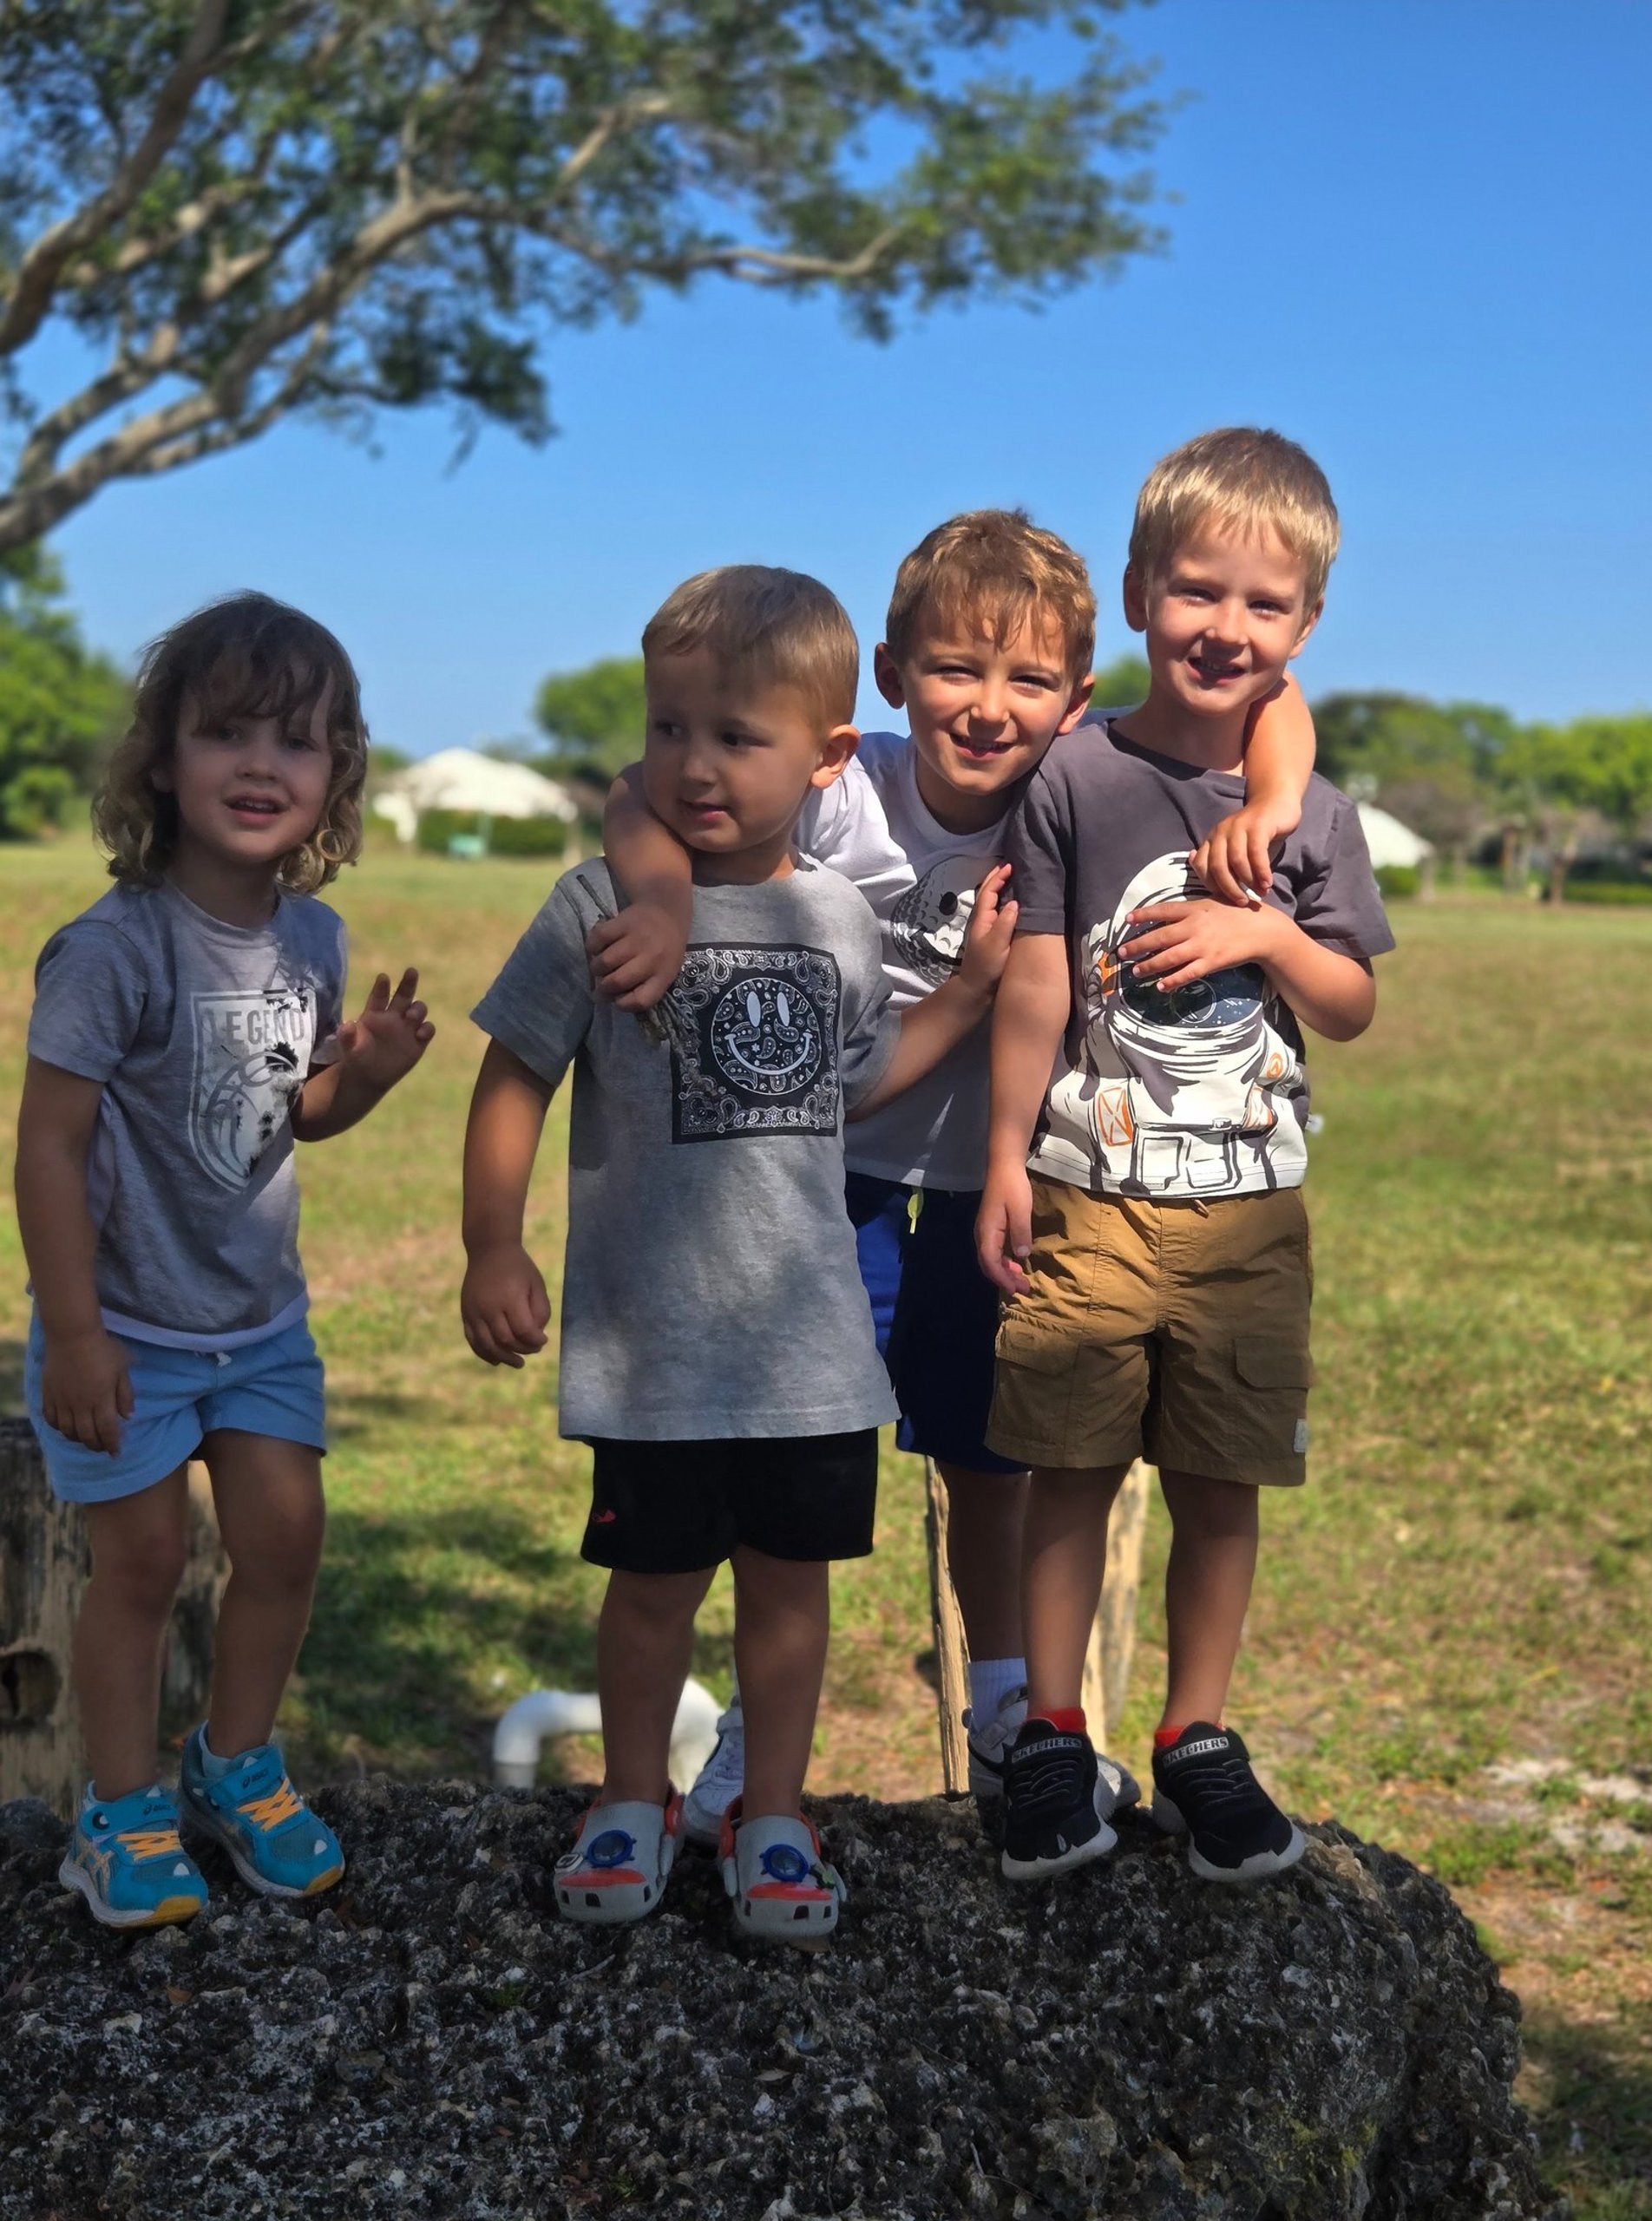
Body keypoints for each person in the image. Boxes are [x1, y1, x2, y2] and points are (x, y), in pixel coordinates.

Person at [592, 510, 1316, 1831]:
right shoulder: (841, 785)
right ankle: (755, 1731)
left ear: (1077, 697)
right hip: (816, 1182)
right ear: (890, 675)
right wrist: (664, 898)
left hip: (998, 1186)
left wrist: (1273, 805)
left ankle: (1005, 1712)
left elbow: (1268, 699)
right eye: (953, 670)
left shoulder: (1080, 784)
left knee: (990, 1456)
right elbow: (637, 790)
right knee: (788, 1459)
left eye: (1028, 679)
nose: (988, 708)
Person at [460, 565, 1011, 1941]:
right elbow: (515, 1072)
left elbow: (854, 1085)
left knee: (787, 1597)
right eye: (669, 729)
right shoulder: (599, 904)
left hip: (808, 1352)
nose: (693, 766)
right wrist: (492, 1246)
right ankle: (629, 1799)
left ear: (828, 757)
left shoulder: (837, 917)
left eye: (736, 737)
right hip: (653, 1344)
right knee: (649, 1594)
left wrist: (964, 998)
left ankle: (772, 1814)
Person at [976, 429, 1395, 1884]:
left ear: (1307, 627)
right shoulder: (1075, 774)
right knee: (1067, 1467)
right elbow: (1038, 974)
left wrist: (1268, 931)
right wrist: (1008, 1152)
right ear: (1143, 591)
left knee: (1223, 1483)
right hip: (1089, 1189)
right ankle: (1052, 1734)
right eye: (1198, 591)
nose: (1227, 627)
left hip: (1247, 1216)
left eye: (1265, 604)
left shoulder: (1313, 815)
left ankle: (1196, 1736)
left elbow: (1349, 1004)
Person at [18, 593, 434, 1929]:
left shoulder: (312, 940)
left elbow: (290, 1112)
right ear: (162, 761)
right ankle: (119, 1812)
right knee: (142, 1562)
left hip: (256, 1324)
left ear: (335, 778)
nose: (262, 764)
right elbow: (46, 1149)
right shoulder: (114, 949)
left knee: (287, 1537)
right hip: (124, 1324)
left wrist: (366, 1077)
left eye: (297, 742)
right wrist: (77, 1333)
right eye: (227, 732)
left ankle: (237, 1767)